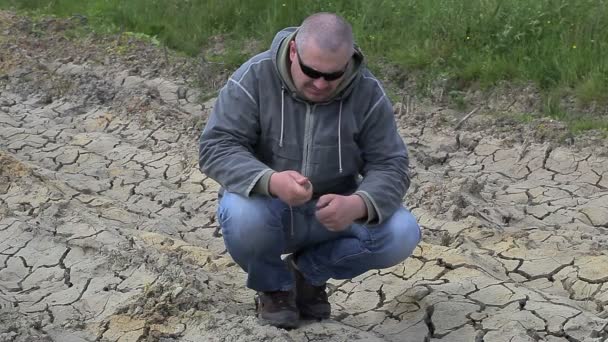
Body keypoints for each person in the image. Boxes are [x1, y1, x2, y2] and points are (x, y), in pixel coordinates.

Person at [198, 12, 421, 329]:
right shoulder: (254, 76)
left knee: (402, 233)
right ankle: (274, 288)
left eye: (333, 75)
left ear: (348, 62)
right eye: (311, 71)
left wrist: (358, 204)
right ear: (293, 52)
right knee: (241, 213)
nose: (320, 83)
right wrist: (270, 181)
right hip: (269, 208)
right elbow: (216, 146)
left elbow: (391, 163)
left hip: (332, 213)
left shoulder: (367, 91)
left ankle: (306, 274)